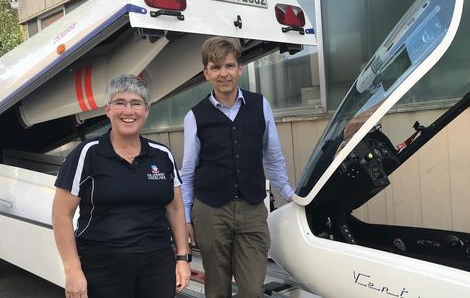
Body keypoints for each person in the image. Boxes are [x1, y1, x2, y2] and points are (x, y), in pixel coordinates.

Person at [52, 75, 192, 298]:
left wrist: (182, 258)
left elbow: (175, 208)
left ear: (146, 110)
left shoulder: (161, 154)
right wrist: (72, 270)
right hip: (103, 264)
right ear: (107, 110)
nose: (128, 111)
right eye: (120, 103)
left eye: (136, 103)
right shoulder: (87, 154)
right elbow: (61, 214)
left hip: (157, 262)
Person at [181, 37, 294, 298]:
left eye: (229, 66)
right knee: (217, 289)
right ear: (206, 73)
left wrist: (288, 194)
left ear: (240, 68)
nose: (224, 73)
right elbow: (187, 173)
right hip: (210, 211)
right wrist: (186, 218)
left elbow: (273, 156)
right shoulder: (194, 116)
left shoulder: (260, 105)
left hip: (252, 208)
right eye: (216, 67)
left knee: (253, 289)